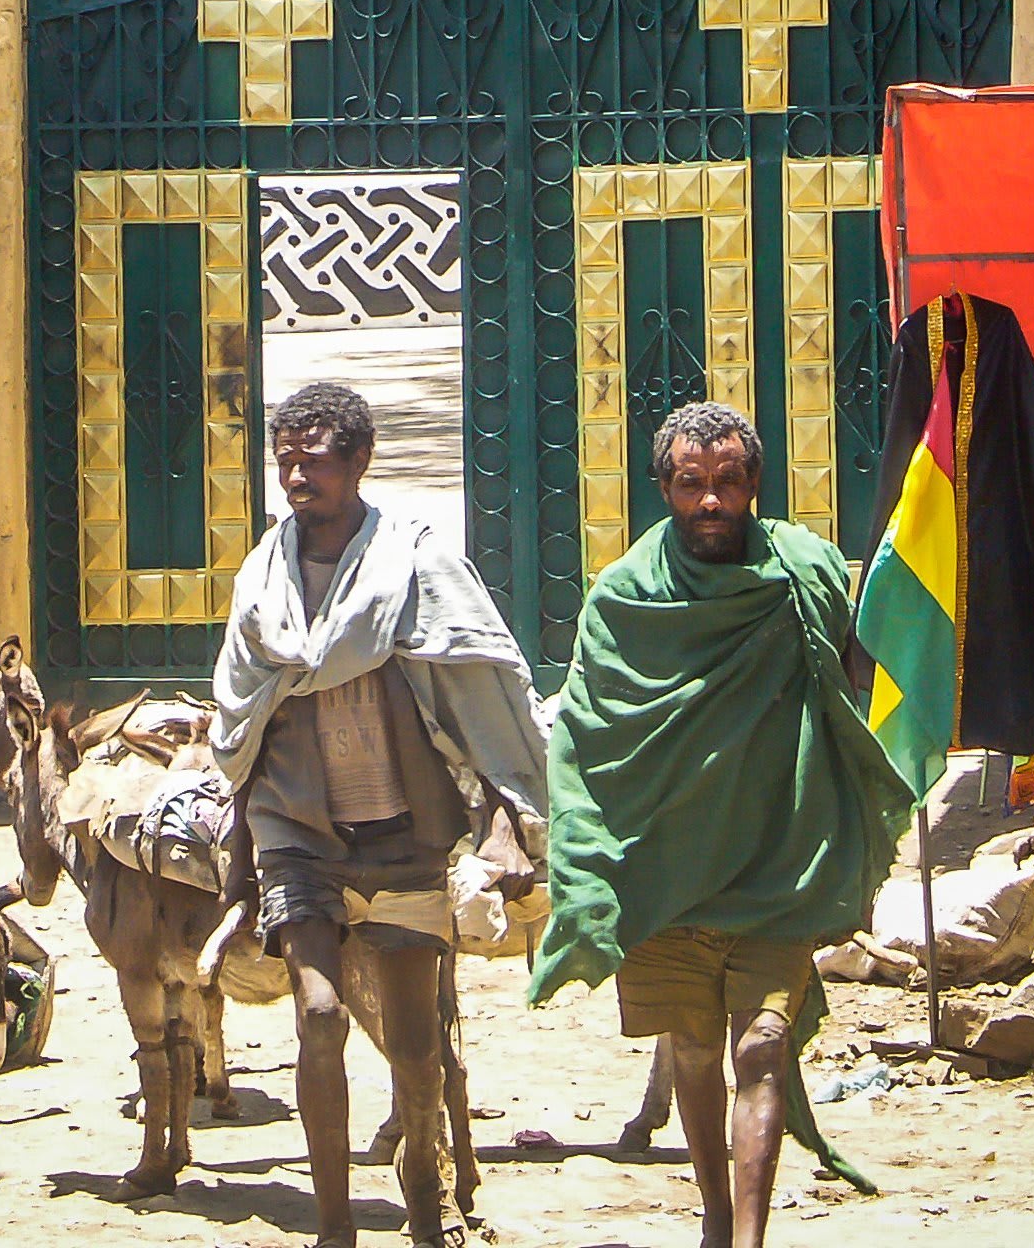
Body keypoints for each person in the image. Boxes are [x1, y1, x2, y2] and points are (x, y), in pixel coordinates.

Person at [531, 401, 909, 1248]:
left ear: (753, 486)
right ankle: (711, 1217)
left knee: (762, 1049)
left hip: (779, 869)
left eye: (727, 483)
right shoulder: (623, 597)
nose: (710, 501)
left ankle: (746, 1237)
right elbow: (585, 738)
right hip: (664, 876)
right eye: (691, 484)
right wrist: (584, 864)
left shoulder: (804, 572)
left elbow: (858, 681)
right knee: (696, 1052)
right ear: (662, 487)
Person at [212, 383, 547, 1248]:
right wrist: (238, 841)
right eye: (283, 460)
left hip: (403, 833)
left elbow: (483, 690)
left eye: (313, 459)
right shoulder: (262, 577)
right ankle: (334, 1229)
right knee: (318, 1015)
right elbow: (242, 718)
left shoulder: (416, 564)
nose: (295, 476)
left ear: (359, 461)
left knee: (414, 1040)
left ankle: (425, 1207)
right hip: (298, 831)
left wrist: (505, 820)